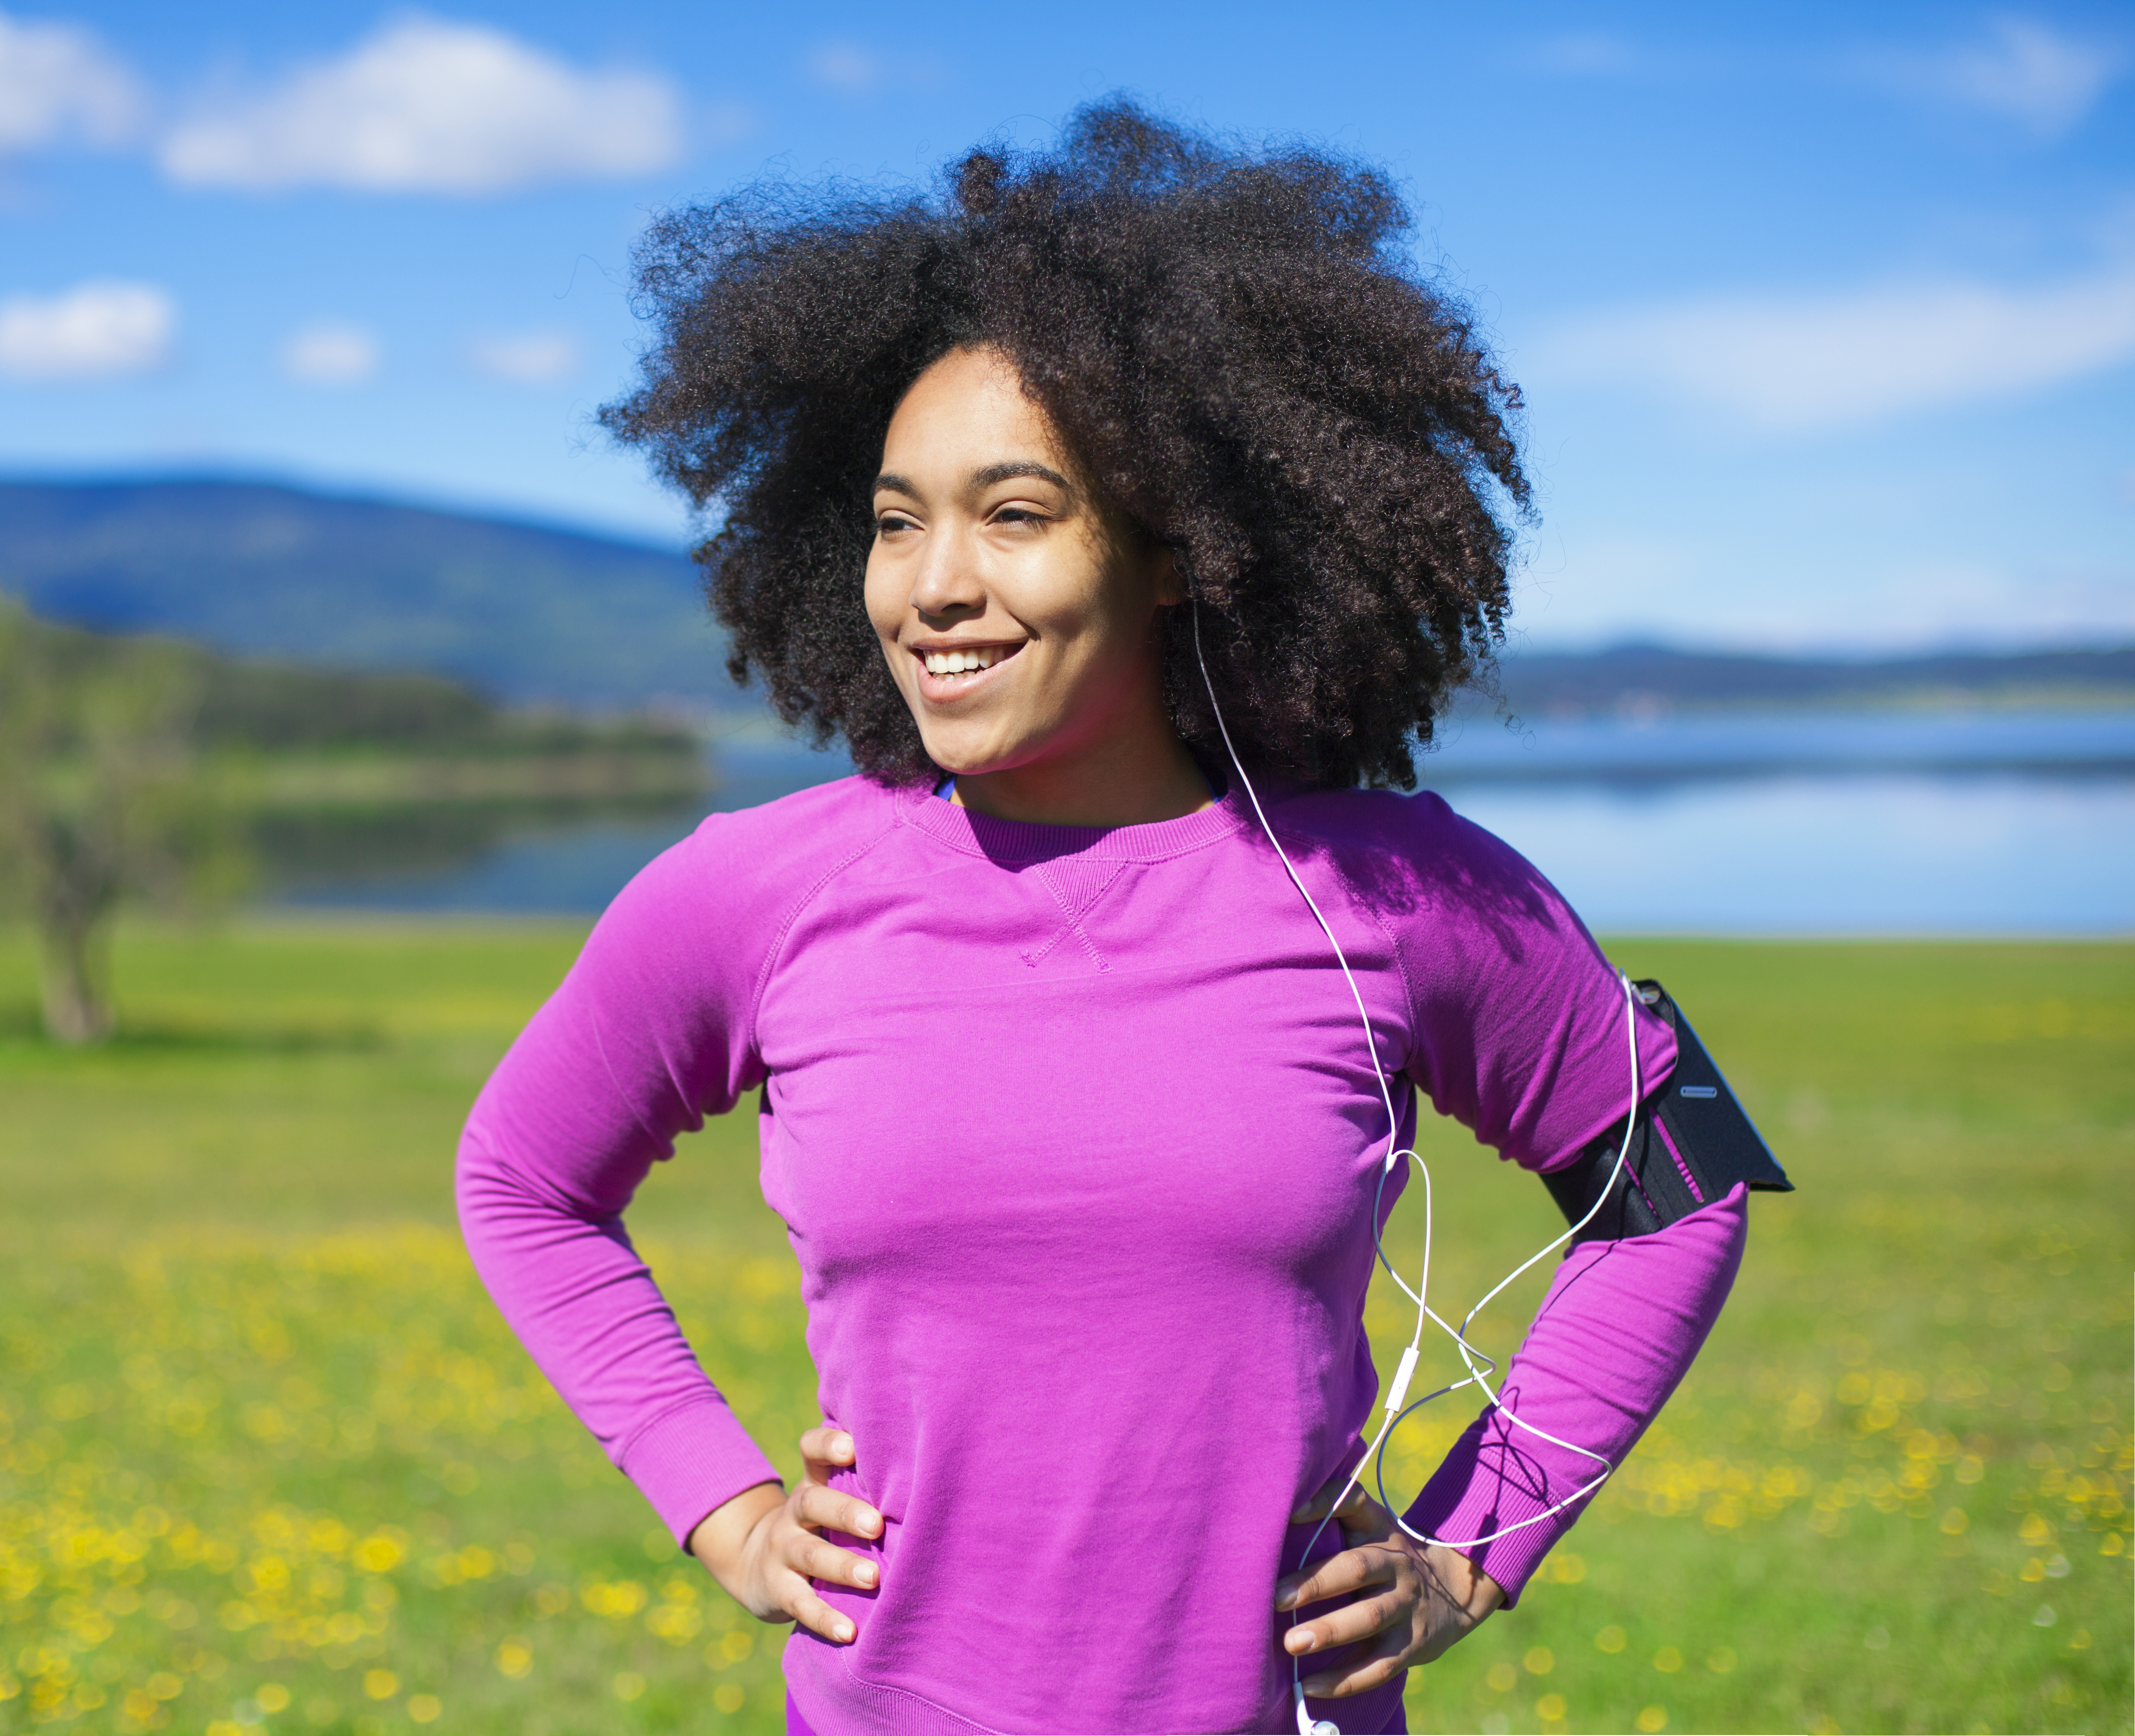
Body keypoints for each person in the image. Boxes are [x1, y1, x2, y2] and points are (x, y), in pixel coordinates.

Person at [458, 102, 1749, 1736]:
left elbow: (1682, 1188)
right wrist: (718, 1501)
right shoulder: (760, 889)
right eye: (893, 519)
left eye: (1013, 514)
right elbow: (519, 1178)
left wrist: (1469, 1545)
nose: (931, 586)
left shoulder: (1395, 889)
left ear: (1174, 554)